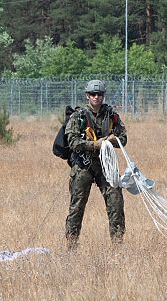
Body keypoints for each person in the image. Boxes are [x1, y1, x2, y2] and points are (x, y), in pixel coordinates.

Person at [64, 79, 127, 250]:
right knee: (77, 206)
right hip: (83, 165)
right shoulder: (79, 116)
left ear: (103, 96)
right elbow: (73, 142)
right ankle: (71, 246)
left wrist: (112, 140)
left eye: (99, 94)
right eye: (93, 94)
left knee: (116, 203)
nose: (96, 97)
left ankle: (118, 246)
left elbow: (123, 138)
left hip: (106, 165)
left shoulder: (111, 115)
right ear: (87, 96)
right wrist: (94, 145)